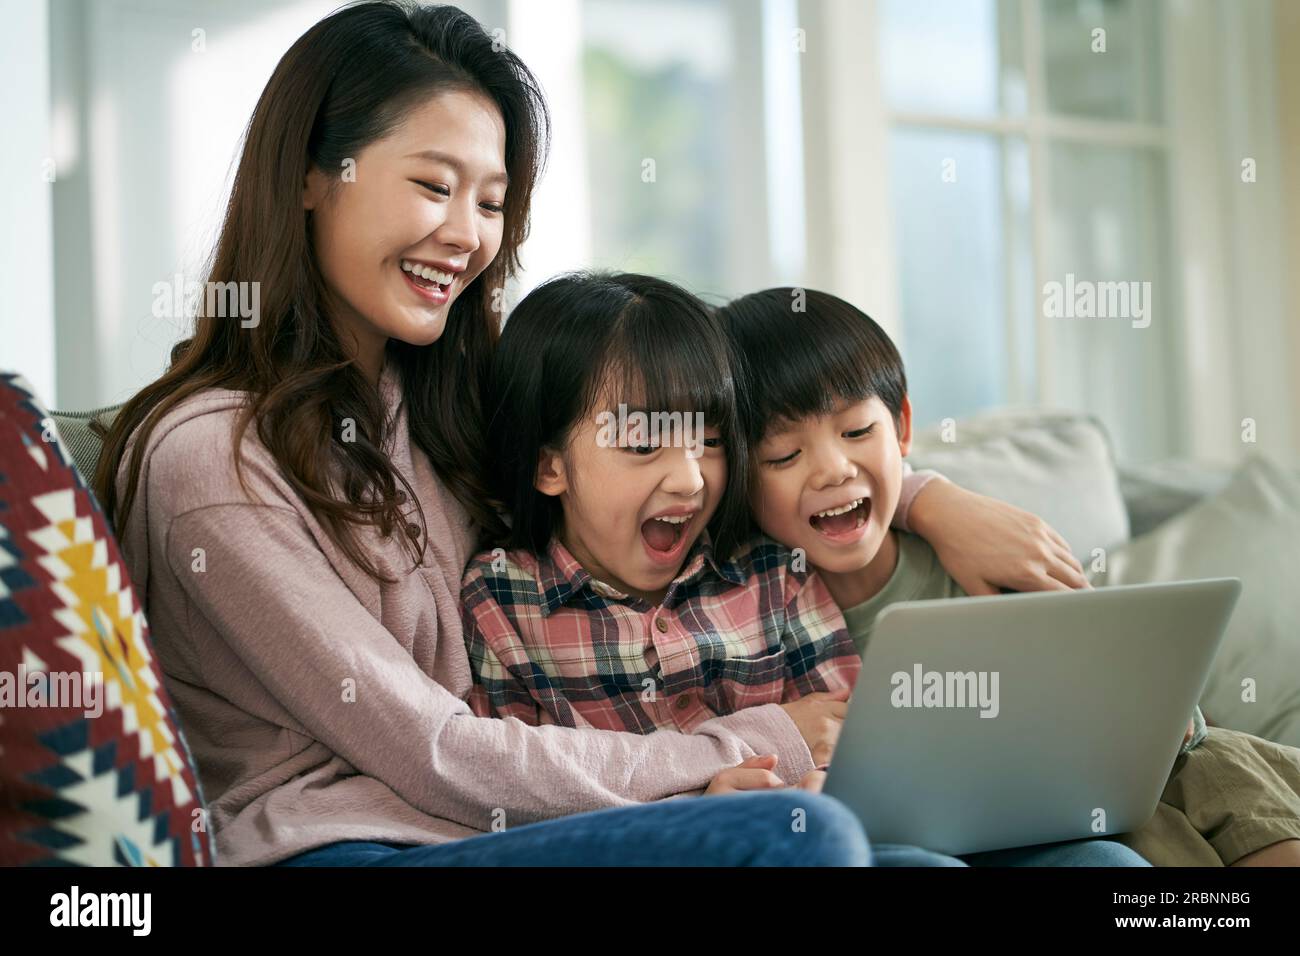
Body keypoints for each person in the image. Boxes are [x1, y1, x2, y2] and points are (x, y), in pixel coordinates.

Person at [718, 286, 1300, 867]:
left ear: (901, 429)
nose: (833, 469)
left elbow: (1124, 686)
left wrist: (1151, 716)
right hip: (957, 843)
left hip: (1079, 799)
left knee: (1218, 769)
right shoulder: (742, 620)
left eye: (856, 433)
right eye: (784, 457)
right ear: (740, 477)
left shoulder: (979, 558)